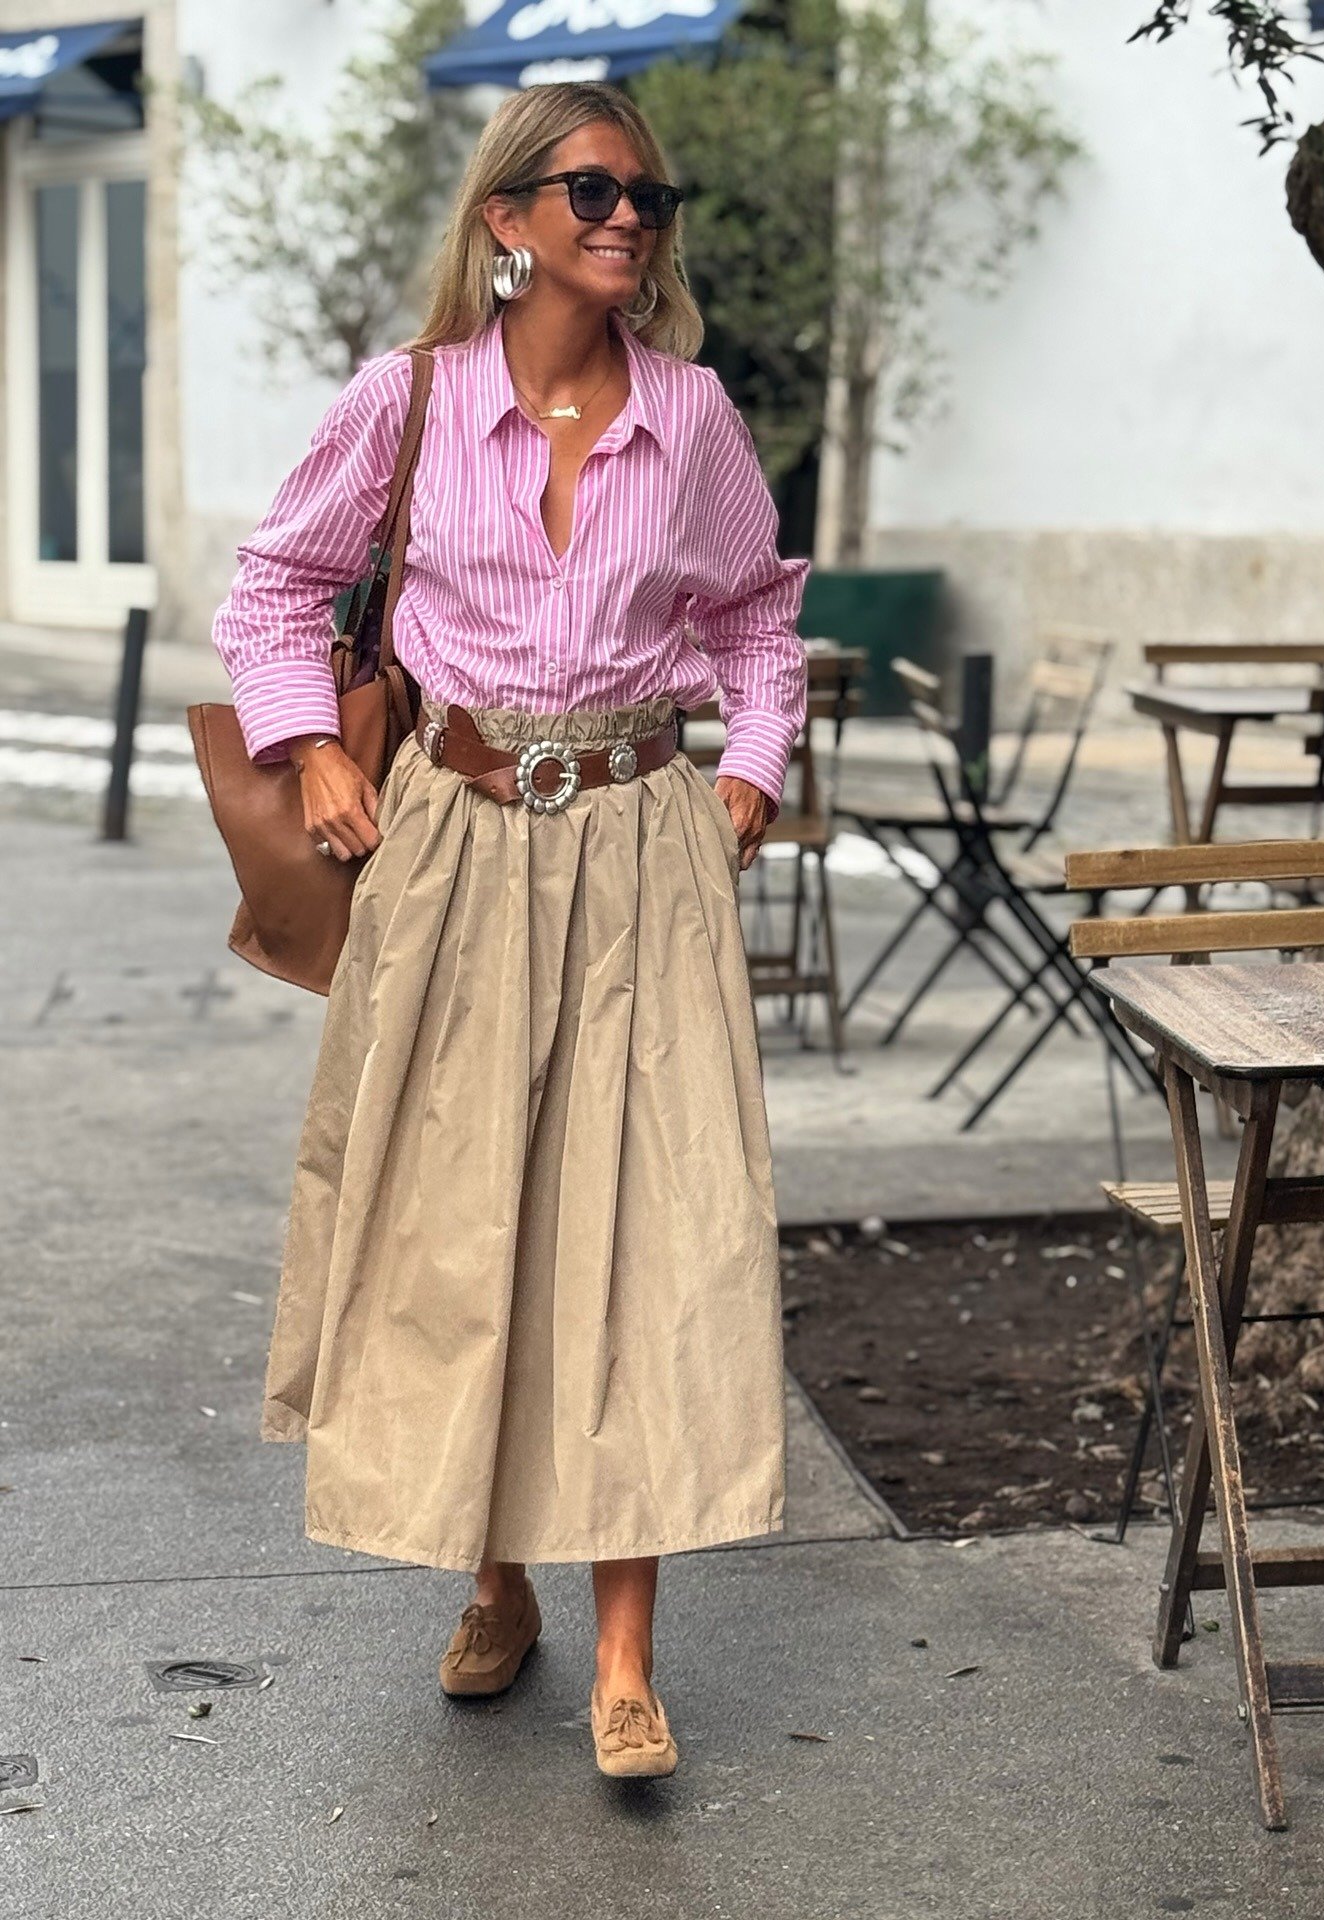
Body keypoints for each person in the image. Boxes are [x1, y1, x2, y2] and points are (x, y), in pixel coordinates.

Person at [211, 81, 809, 1780]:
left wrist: (745, 788)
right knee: (464, 1221)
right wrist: (315, 744)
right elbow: (271, 591)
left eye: (648, 197)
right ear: (507, 221)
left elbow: (760, 620)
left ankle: (628, 1651)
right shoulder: (402, 404)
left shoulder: (691, 418)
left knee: (644, 1226)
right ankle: (497, 1582)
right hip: (459, 846)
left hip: (640, 851)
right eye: (594, 190)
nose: (630, 218)